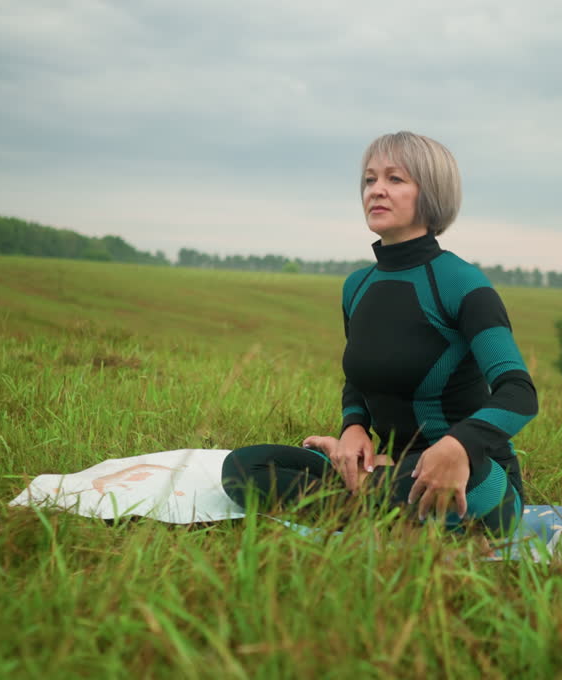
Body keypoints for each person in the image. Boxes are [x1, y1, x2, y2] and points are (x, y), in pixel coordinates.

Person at [222, 131, 538, 535]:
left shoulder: (462, 284)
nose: (376, 191)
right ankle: (380, 496)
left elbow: (519, 393)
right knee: (242, 468)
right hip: (392, 467)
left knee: (462, 481)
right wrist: (352, 429)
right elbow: (359, 378)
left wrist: (459, 445)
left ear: (431, 193)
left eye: (395, 179)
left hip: (476, 476)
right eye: (370, 180)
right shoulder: (357, 286)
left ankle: (363, 499)